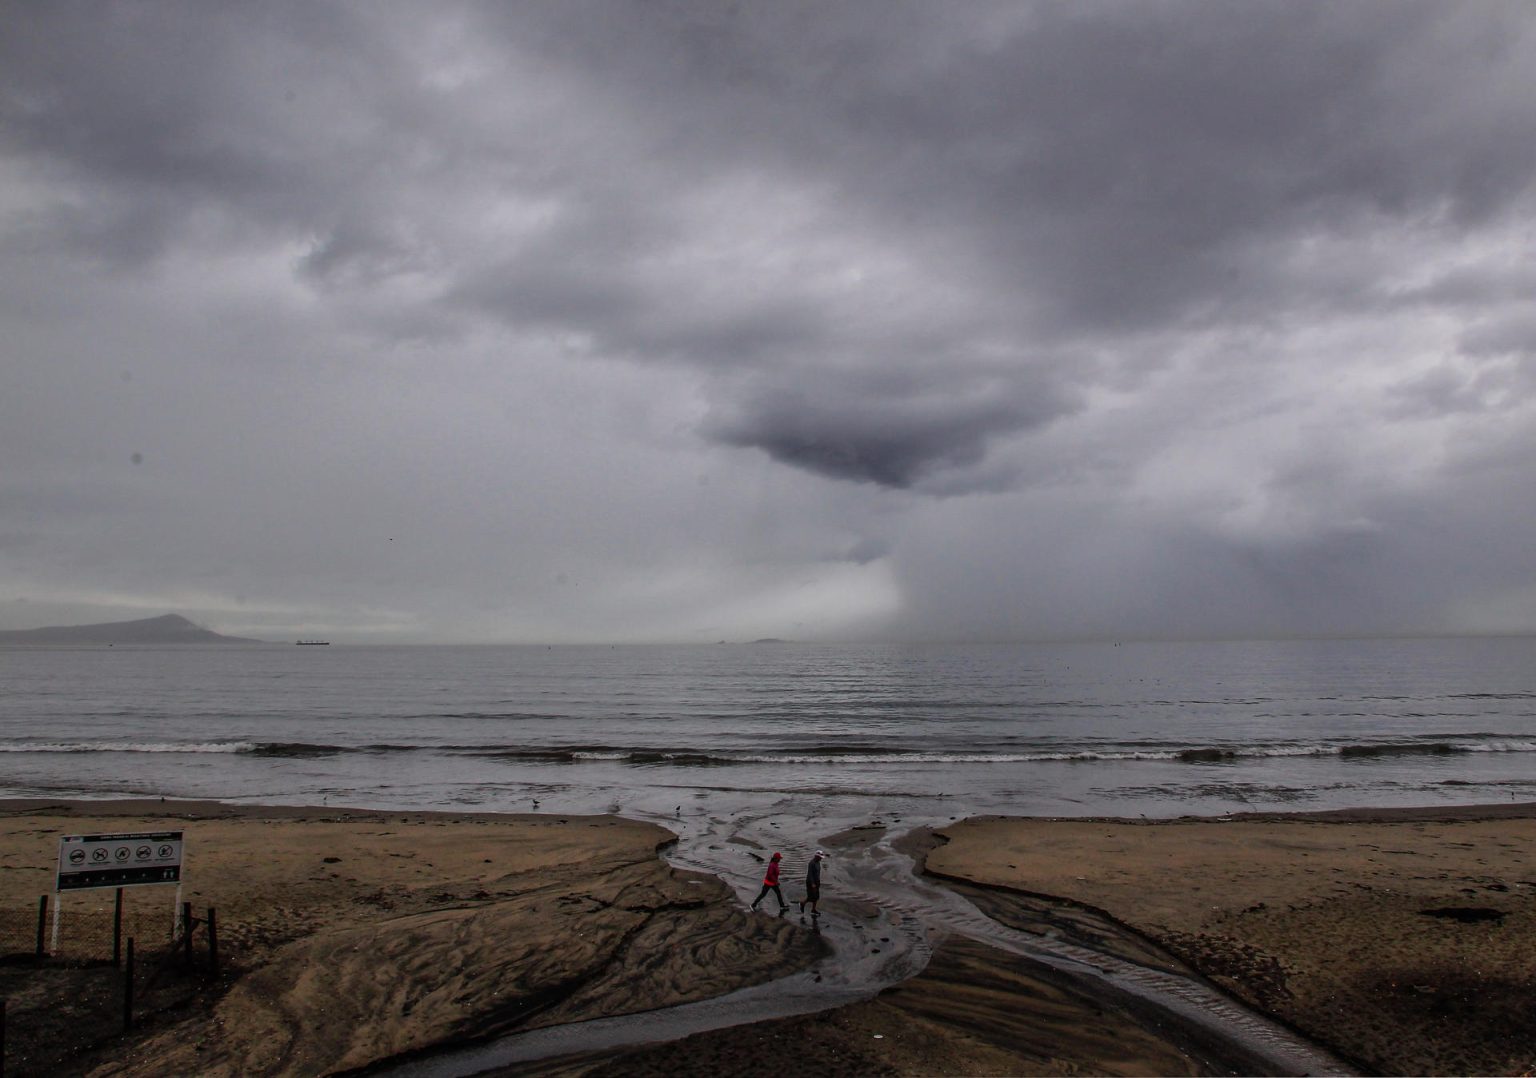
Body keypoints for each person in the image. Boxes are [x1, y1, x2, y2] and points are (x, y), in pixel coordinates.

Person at [799, 850, 825, 916]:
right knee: (811, 897)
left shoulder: (818, 863)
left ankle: (813, 909)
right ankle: (802, 903)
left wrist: (818, 881)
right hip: (810, 882)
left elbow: (818, 873)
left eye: (821, 857)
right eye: (820, 857)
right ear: (816, 856)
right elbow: (810, 874)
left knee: (816, 897)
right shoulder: (811, 863)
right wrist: (812, 883)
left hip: (817, 881)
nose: (821, 858)